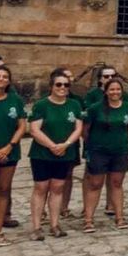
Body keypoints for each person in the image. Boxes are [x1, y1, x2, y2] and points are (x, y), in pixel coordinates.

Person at [25, 68, 81, 241]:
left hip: (65, 153)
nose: (62, 88)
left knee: (58, 188)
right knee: (41, 188)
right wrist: (52, 146)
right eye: (58, 85)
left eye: (66, 85)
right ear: (51, 86)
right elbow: (34, 130)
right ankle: (36, 227)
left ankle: (54, 224)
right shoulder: (42, 105)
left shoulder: (74, 105)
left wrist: (66, 144)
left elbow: (78, 128)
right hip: (42, 154)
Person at [82, 76, 128, 232]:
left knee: (117, 183)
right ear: (105, 91)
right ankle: (88, 219)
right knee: (95, 184)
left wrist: (122, 139)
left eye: (118, 89)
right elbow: (86, 130)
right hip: (99, 152)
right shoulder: (95, 108)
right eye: (112, 89)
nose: (115, 92)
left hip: (120, 151)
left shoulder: (127, 107)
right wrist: (94, 145)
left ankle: (119, 217)